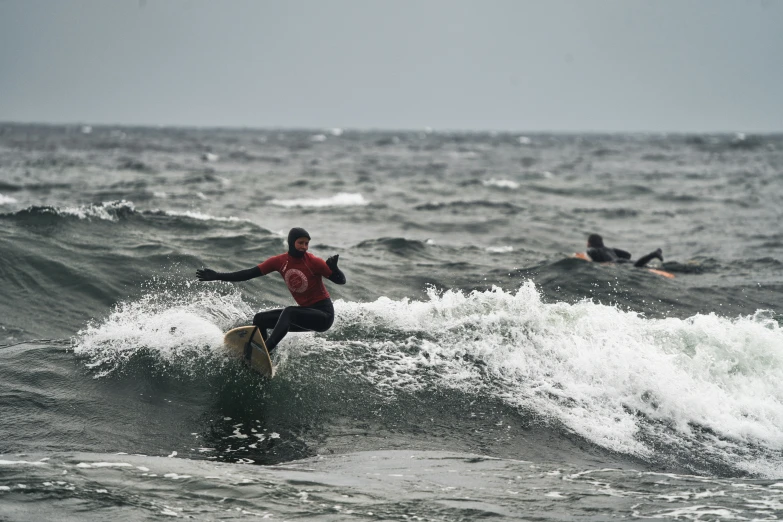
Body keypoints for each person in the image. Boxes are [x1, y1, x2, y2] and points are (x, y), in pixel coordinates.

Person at [196, 227, 346, 353]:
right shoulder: (279, 262)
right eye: (300, 243)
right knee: (260, 319)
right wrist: (218, 276)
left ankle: (265, 349)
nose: (304, 247)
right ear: (291, 243)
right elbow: (249, 274)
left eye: (307, 244)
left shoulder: (314, 261)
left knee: (289, 312)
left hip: (323, 315)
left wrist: (335, 269)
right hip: (305, 314)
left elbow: (341, 281)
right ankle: (266, 357)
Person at [585, 233, 663, 268]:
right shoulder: (611, 249)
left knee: (637, 266)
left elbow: (591, 256)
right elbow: (628, 255)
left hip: (617, 263)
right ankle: (655, 255)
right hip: (620, 260)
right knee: (640, 265)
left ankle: (653, 254)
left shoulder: (593, 250)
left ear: (590, 242)